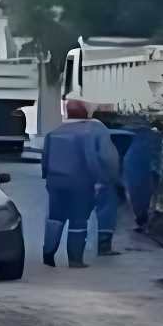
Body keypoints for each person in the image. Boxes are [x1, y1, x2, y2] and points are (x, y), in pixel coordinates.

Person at [41, 99, 118, 268]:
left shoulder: (54, 133)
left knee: (55, 218)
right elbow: (94, 159)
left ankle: (48, 253)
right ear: (86, 114)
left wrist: (47, 177)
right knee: (78, 219)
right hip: (80, 182)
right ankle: (75, 259)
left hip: (55, 182)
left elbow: (45, 159)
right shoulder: (90, 132)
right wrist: (101, 179)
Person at [123, 125, 158, 232]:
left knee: (138, 194)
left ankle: (143, 220)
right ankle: (144, 220)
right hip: (144, 165)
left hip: (137, 165)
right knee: (143, 194)